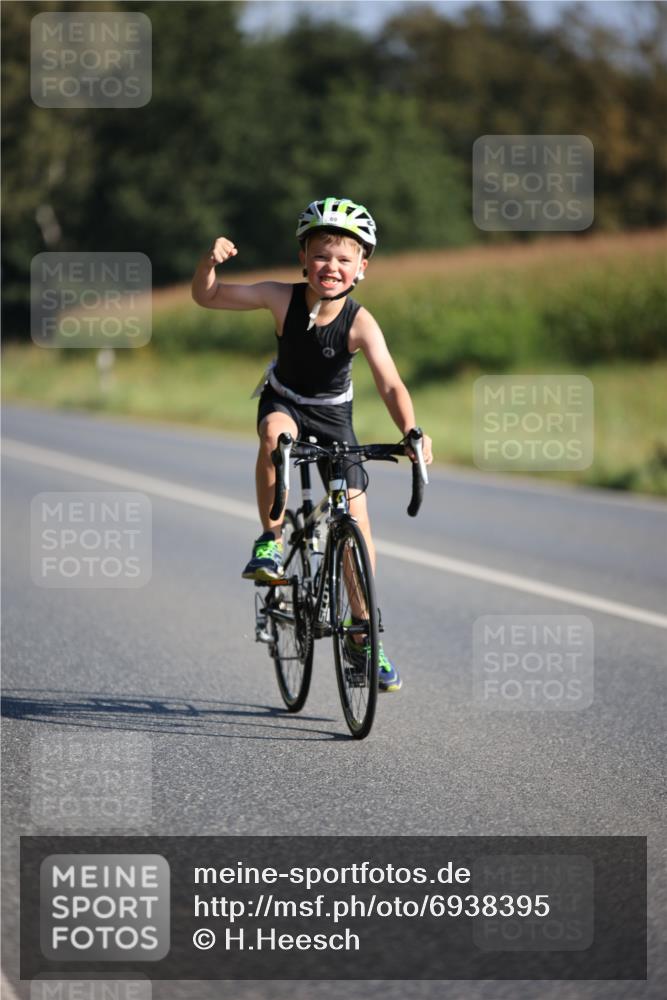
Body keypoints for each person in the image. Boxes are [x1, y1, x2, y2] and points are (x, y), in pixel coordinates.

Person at [192, 197, 433, 692]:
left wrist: (412, 432)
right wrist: (207, 265)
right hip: (285, 401)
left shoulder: (361, 322)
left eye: (345, 259)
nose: (332, 266)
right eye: (322, 255)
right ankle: (270, 541)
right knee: (274, 438)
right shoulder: (282, 297)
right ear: (304, 257)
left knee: (357, 530)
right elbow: (208, 298)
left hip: (334, 417)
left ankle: (363, 637)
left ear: (362, 268)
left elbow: (390, 384)